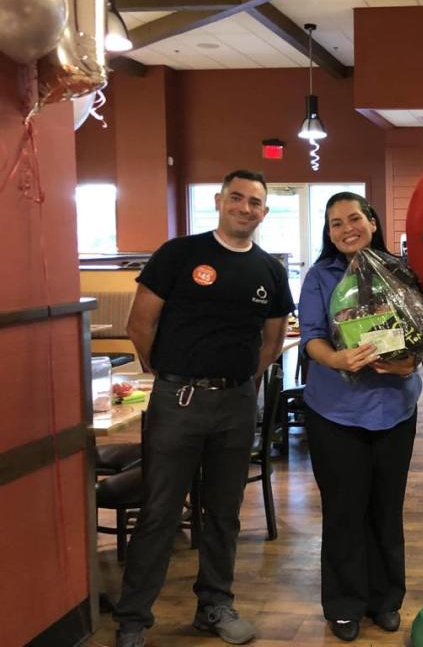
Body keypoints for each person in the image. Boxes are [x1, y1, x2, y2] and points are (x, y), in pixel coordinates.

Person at [114, 169, 294, 647]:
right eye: (237, 197)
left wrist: (236, 386)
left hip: (235, 405)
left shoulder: (270, 272)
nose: (245, 207)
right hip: (178, 401)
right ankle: (133, 617)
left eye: (255, 202)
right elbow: (139, 325)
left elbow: (271, 343)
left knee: (224, 512)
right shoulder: (180, 254)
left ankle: (215, 604)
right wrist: (172, 375)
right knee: (159, 512)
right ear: (219, 201)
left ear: (264, 212)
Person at [297, 192, 423, 643]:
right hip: (335, 413)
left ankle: (385, 600)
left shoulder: (402, 270)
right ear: (329, 233)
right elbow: (310, 336)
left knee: (386, 511)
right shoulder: (321, 276)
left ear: (372, 221)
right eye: (335, 223)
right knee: (345, 511)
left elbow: (421, 331)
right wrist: (337, 360)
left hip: (395, 410)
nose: (346, 228)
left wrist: (410, 362)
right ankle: (345, 604)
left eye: (354, 218)